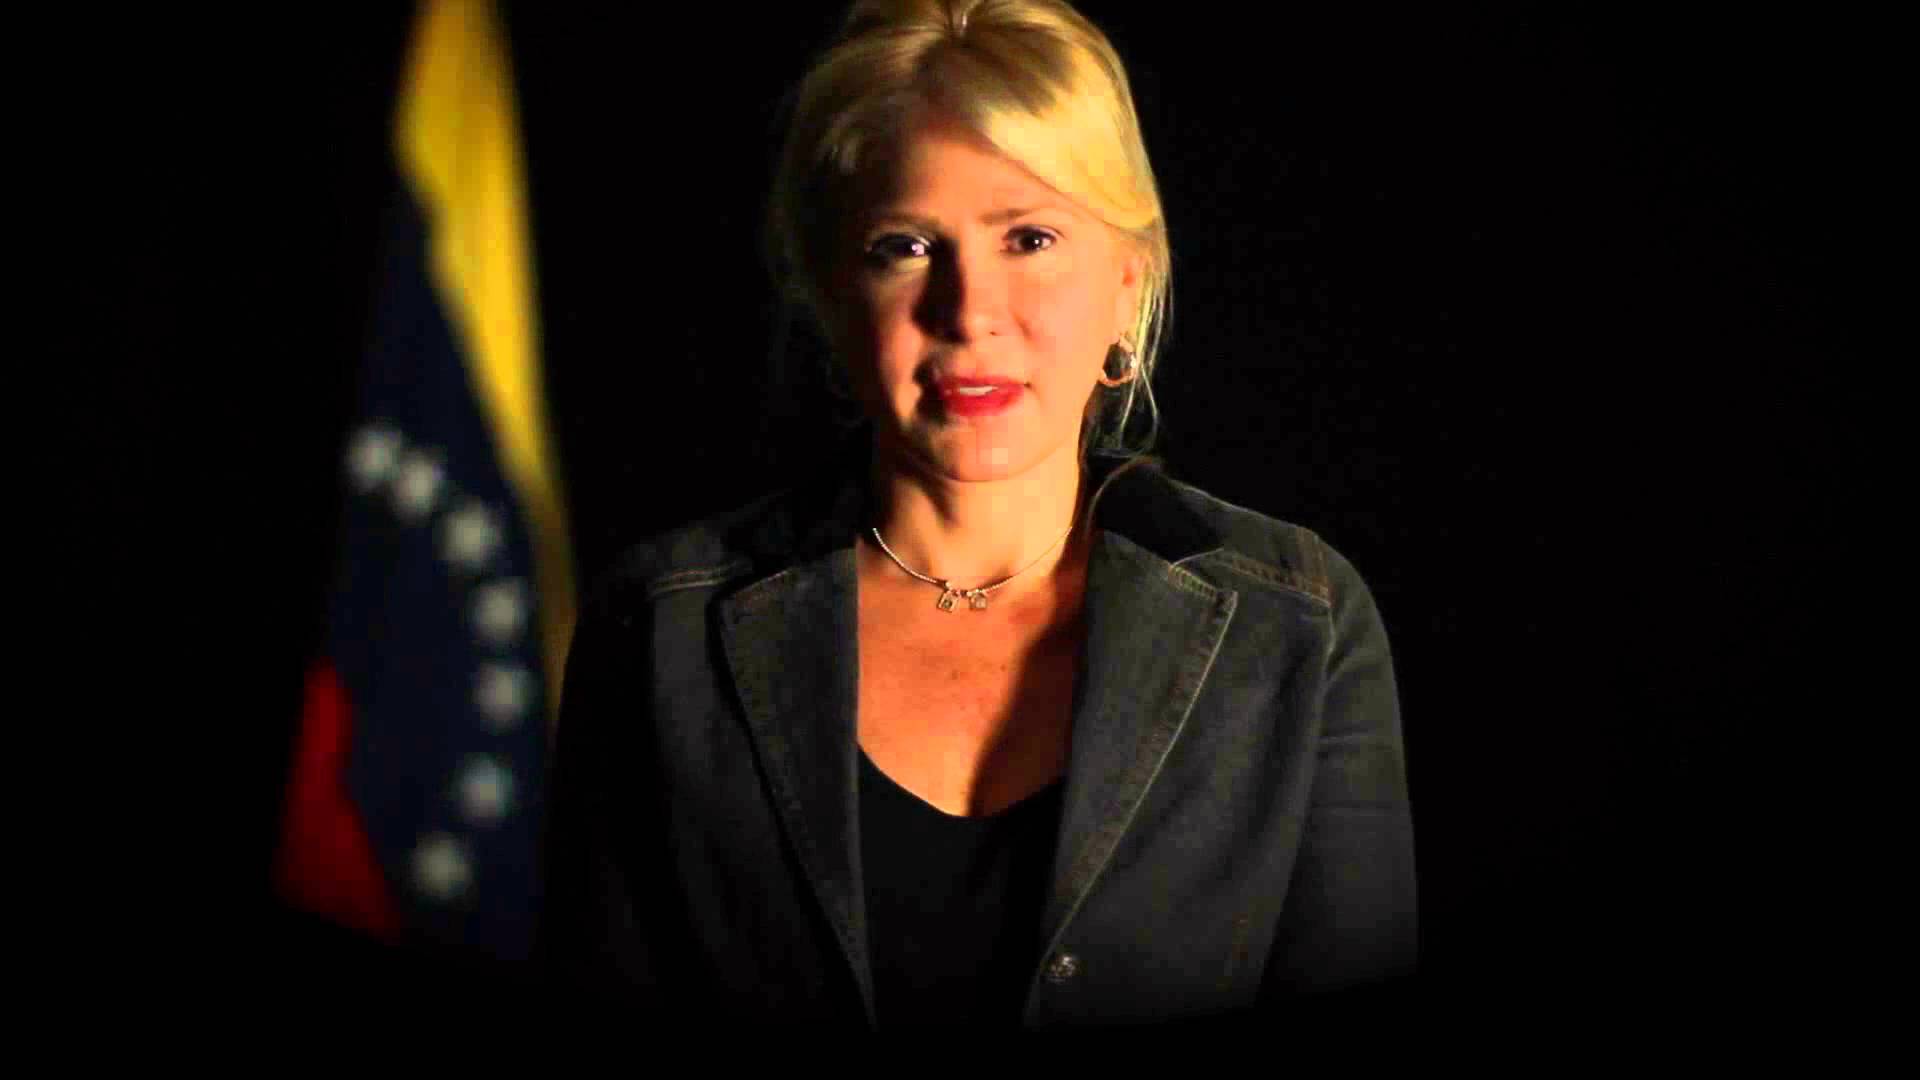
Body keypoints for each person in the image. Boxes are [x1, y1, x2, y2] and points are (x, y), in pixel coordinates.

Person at [535, 0, 1414, 1032]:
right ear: (832, 294)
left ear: (1126, 282)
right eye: (906, 246)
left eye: (1029, 238)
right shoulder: (661, 628)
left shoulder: (1297, 622)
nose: (969, 312)